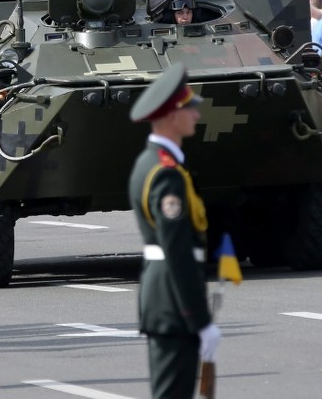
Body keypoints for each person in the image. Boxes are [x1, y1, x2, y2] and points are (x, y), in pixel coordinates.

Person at [128, 62, 220, 399]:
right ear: (170, 115)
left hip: (168, 300)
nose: (196, 114)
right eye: (189, 108)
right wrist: (199, 319)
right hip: (173, 302)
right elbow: (177, 250)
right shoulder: (165, 173)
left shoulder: (151, 163)